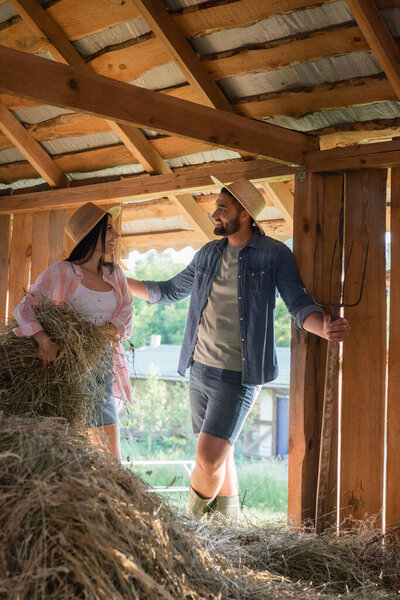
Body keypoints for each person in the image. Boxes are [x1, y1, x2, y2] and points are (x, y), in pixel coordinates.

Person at [127, 176, 350, 520]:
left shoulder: (274, 254)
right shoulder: (207, 253)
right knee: (222, 455)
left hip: (238, 376)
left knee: (208, 459)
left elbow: (297, 304)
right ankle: (226, 529)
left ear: (244, 214)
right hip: (198, 369)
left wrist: (323, 326)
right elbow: (168, 291)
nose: (214, 214)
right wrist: (118, 281)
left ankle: (189, 527)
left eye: (222, 208)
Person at [13, 202, 133, 461]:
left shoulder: (115, 274)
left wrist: (109, 330)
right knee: (71, 455)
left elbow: (127, 311)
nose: (116, 235)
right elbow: (24, 309)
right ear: (93, 233)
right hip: (67, 373)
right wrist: (44, 342)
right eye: (109, 229)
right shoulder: (61, 272)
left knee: (111, 460)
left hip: (102, 370)